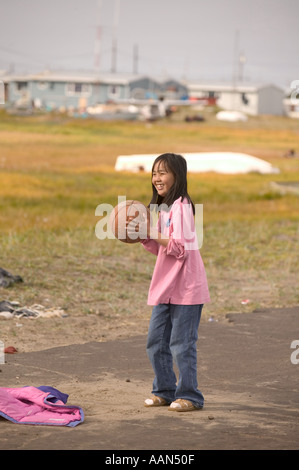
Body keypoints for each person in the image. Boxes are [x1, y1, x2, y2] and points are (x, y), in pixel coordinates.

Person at [128, 153, 210, 412]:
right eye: (154, 173)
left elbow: (180, 248)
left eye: (162, 172)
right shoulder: (164, 208)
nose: (157, 178)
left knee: (181, 344)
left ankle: (190, 396)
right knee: (156, 342)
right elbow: (163, 249)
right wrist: (143, 235)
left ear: (177, 176)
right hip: (166, 286)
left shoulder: (182, 205)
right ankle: (164, 390)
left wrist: (151, 232)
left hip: (186, 288)